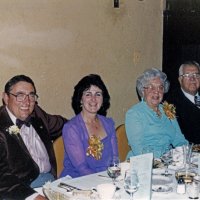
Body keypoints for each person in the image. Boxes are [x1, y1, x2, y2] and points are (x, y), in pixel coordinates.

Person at [0, 75, 67, 200]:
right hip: (20, 190)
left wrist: (88, 122)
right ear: (5, 97)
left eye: (31, 95)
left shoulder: (37, 114)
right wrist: (33, 196)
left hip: (51, 184)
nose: (27, 102)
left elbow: (64, 125)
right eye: (20, 95)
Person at [60, 74, 118, 178]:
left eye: (98, 94)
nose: (93, 99)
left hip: (106, 179)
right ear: (80, 99)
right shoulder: (72, 128)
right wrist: (103, 182)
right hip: (79, 181)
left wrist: (113, 179)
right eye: (88, 94)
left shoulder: (109, 123)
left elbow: (115, 159)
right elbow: (82, 168)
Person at [125, 68, 187, 158]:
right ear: (143, 91)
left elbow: (179, 139)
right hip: (143, 163)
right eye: (151, 87)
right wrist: (168, 156)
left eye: (160, 87)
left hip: (168, 162)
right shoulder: (134, 114)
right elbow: (139, 149)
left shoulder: (167, 110)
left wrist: (185, 152)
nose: (156, 91)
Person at [165, 61, 200, 144]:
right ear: (180, 80)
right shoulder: (170, 104)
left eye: (196, 75)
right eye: (187, 75)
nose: (192, 79)